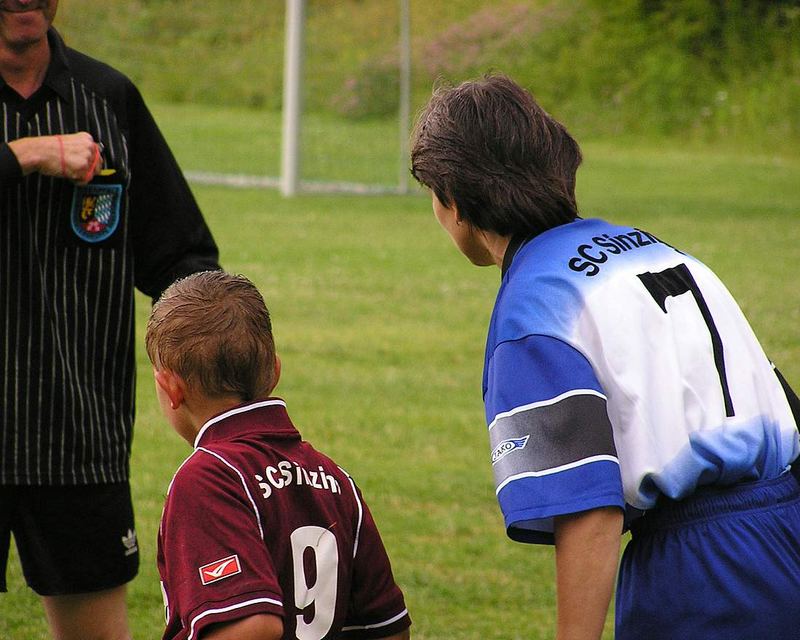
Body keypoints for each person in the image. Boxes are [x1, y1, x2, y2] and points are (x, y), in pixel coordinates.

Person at [410, 73, 800, 640]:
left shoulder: (532, 310)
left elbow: (589, 510)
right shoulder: (658, 249)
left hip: (701, 571)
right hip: (786, 529)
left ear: (453, 201)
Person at [0, 2, 220, 639]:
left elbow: (181, 254)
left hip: (76, 436)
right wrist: (25, 155)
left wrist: (205, 352)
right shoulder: (44, 137)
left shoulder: (109, 98)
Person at [145, 270, 412, 640]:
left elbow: (253, 626)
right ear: (274, 371)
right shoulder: (335, 479)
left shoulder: (207, 477)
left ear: (171, 389)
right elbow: (388, 627)